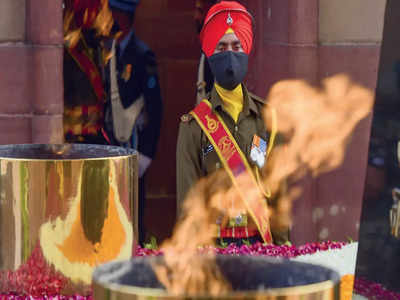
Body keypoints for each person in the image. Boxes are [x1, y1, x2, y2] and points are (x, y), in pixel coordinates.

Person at [176, 1, 289, 246]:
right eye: (222, 47)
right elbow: (188, 204)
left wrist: (284, 252)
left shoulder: (266, 119)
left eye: (236, 46)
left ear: (246, 50)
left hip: (261, 248)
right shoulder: (193, 127)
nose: (230, 54)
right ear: (209, 53)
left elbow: (278, 196)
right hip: (214, 250)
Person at [103, 0, 163, 245]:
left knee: (131, 212)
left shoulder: (142, 54)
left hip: (133, 144)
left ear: (124, 16)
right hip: (109, 143)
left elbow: (155, 106)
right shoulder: (106, 53)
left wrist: (146, 154)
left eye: (113, 13)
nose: (108, 18)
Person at [63, 0, 112, 145]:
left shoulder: (101, 46)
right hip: (73, 136)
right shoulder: (69, 48)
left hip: (98, 134)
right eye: (94, 9)